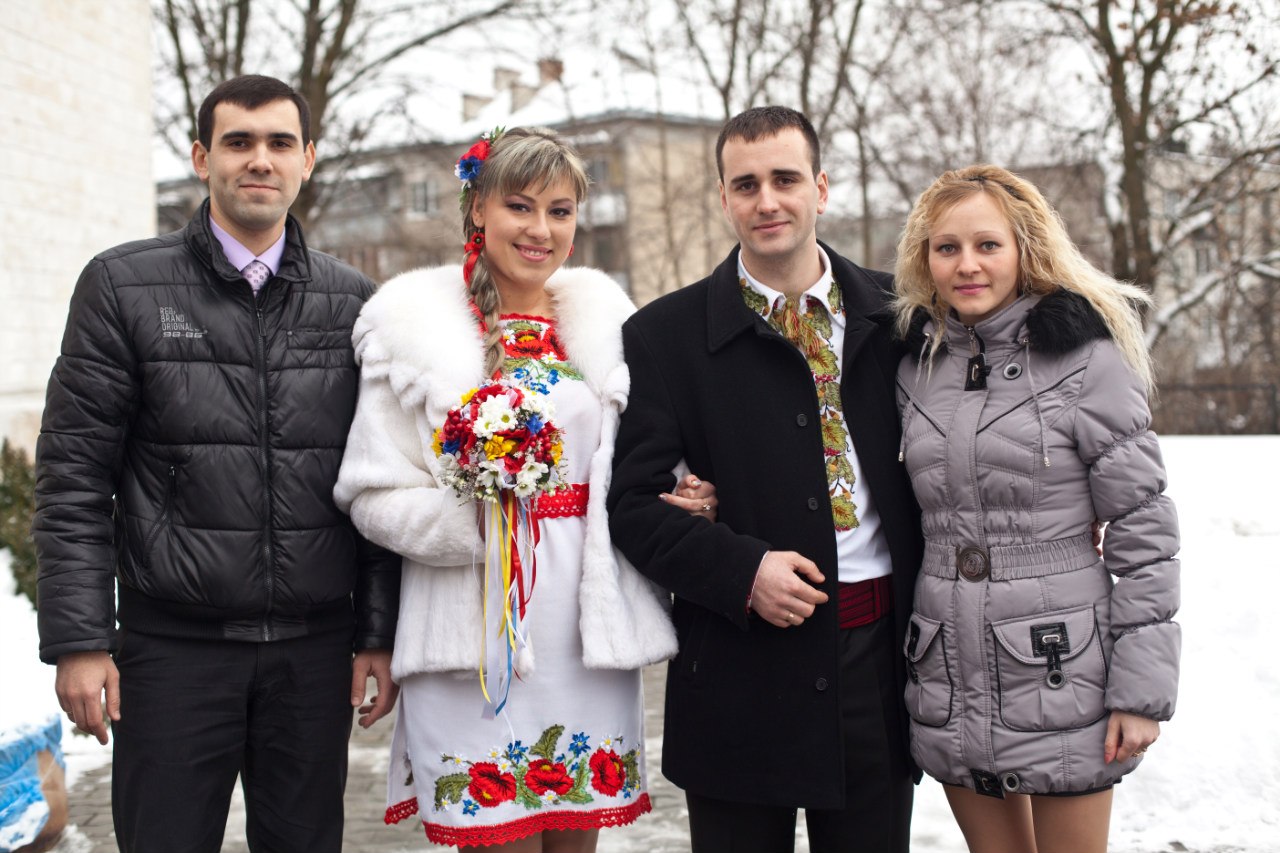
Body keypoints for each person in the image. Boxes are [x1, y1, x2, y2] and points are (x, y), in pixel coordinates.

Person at [32, 75, 401, 853]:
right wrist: (80, 640)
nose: (259, 159)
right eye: (238, 142)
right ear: (203, 158)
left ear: (308, 159)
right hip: (173, 652)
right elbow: (73, 479)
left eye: (279, 143)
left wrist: (377, 631)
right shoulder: (123, 287)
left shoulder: (355, 304)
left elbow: (376, 483)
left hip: (312, 653)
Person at [332, 126, 715, 851]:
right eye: (520, 206)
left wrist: (682, 494)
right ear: (478, 208)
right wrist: (480, 518)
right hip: (472, 631)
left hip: (585, 626)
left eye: (560, 211)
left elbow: (637, 464)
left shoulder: (610, 326)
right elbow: (372, 494)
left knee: (576, 838)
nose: (541, 229)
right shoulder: (412, 329)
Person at [606, 106, 923, 853]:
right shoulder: (662, 336)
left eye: (785, 179)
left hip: (878, 667)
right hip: (736, 673)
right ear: (724, 198)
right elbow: (633, 507)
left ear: (821, 188)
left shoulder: (902, 317)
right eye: (745, 185)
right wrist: (741, 570)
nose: (767, 201)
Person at [891, 164, 1181, 853]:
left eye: (987, 245)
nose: (967, 264)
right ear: (925, 259)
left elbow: (1144, 531)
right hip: (948, 664)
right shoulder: (912, 367)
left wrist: (1140, 692)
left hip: (1061, 663)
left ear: (1026, 249)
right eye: (947, 247)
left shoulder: (1085, 360)